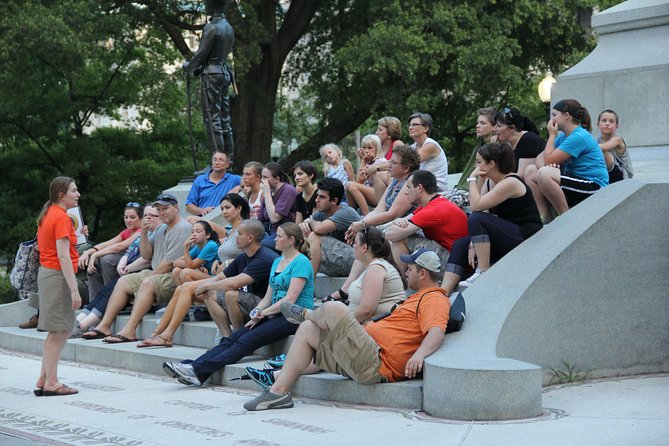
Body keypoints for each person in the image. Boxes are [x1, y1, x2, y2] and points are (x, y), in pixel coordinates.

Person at [242, 248, 450, 411]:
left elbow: (436, 331)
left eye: (410, 269)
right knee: (307, 330)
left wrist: (419, 355)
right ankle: (277, 393)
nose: (406, 272)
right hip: (363, 354)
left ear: (423, 273)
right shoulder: (416, 297)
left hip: (376, 362)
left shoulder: (434, 298)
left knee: (335, 308)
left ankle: (306, 313)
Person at [244, 227, 406, 388]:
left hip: (373, 334)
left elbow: (366, 309)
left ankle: (304, 320)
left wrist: (339, 324)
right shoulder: (371, 267)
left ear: (364, 248)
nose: (352, 246)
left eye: (355, 243)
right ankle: (277, 372)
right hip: (366, 329)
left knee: (324, 326)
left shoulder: (376, 268)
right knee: (317, 333)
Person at [162, 222, 315, 386]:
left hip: (294, 317)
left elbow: (290, 300)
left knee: (246, 341)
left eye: (279, 236)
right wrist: (258, 311)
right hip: (275, 313)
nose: (275, 239)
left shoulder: (301, 262)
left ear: (291, 240)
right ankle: (192, 365)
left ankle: (199, 372)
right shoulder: (278, 262)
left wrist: (263, 313)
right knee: (233, 338)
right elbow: (268, 297)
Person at [139, 220, 277, 346]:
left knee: (228, 293)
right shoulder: (244, 256)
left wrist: (206, 285)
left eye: (239, 234)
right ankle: (225, 338)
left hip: (266, 307)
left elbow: (233, 283)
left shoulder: (263, 258)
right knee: (194, 289)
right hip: (249, 300)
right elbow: (220, 277)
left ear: (250, 238)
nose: (235, 237)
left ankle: (237, 338)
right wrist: (203, 286)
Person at [81, 193, 191, 342]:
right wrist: (144, 232)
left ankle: (129, 330)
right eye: (159, 209)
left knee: (146, 283)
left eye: (165, 208)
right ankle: (104, 326)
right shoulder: (161, 228)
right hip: (156, 272)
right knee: (123, 281)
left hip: (173, 275)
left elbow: (168, 264)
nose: (161, 212)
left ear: (176, 208)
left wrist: (147, 279)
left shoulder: (182, 228)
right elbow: (146, 255)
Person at [441, 142, 543, 290]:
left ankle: (483, 270)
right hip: (508, 235)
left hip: (526, 235)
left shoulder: (511, 182)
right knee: (461, 244)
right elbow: (479, 211)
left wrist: (472, 180)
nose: (476, 167)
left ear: (491, 164)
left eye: (479, 162)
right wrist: (473, 243)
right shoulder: (490, 182)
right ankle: (444, 291)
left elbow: (477, 206)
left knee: (477, 219)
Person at [71, 205, 162, 338]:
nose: (128, 220)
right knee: (106, 289)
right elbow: (127, 250)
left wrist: (127, 267)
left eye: (152, 216)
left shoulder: (153, 232)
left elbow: (145, 258)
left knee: (111, 284)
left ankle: (85, 324)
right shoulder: (145, 232)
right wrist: (90, 252)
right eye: (126, 217)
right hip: (128, 270)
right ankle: (83, 318)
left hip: (138, 271)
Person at [34, 177, 83, 397]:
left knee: (60, 329)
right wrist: (74, 289)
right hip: (57, 276)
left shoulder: (50, 213)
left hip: (49, 274)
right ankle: (52, 383)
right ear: (62, 195)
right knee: (59, 330)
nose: (78, 193)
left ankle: (45, 378)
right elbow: (63, 256)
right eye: (74, 190)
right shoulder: (61, 217)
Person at [524, 99, 609, 223]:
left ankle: (565, 218)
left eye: (554, 115)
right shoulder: (564, 136)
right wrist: (546, 166)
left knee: (544, 173)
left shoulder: (578, 136)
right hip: (575, 182)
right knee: (531, 171)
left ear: (566, 116)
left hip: (593, 185)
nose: (551, 120)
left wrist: (551, 136)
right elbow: (540, 157)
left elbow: (548, 159)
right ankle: (544, 216)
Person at [386, 170, 468, 274]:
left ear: (419, 188)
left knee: (400, 239)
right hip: (457, 258)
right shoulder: (433, 203)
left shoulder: (433, 210)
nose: (406, 192)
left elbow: (391, 235)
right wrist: (397, 221)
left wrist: (397, 224)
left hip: (456, 264)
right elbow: (402, 222)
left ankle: (403, 283)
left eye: (409, 187)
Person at [182, 0, 235, 157]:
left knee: (212, 119)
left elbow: (200, 55)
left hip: (212, 74)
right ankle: (228, 160)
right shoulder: (229, 28)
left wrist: (188, 67)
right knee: (225, 119)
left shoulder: (211, 27)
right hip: (224, 72)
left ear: (212, 6)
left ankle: (218, 160)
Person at [78, 203, 143, 300]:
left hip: (137, 264)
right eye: (126, 217)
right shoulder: (127, 231)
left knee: (107, 259)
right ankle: (95, 301)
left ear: (141, 218)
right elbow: (108, 243)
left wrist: (95, 254)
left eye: (132, 217)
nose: (128, 220)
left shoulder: (141, 231)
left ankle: (110, 299)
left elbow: (119, 247)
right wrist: (88, 252)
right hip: (124, 263)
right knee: (95, 262)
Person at [299, 178, 361, 277]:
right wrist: (304, 224)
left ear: (334, 200)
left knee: (315, 236)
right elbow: (304, 226)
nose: (316, 200)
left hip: (358, 261)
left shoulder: (346, 212)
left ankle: (307, 288)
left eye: (322, 197)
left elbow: (319, 228)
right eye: (317, 196)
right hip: (338, 259)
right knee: (296, 238)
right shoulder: (322, 212)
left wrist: (309, 221)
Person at [185, 151, 241, 220]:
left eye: (221, 160)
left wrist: (238, 187)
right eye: (215, 160)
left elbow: (251, 184)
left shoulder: (235, 179)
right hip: (203, 222)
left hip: (224, 222)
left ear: (227, 164)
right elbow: (189, 206)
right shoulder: (200, 180)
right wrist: (202, 210)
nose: (217, 163)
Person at [494, 107, 545, 179]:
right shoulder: (507, 145)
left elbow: (520, 176)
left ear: (512, 128)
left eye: (499, 126)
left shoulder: (529, 140)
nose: (495, 129)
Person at [457, 108, 498, 190]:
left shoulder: (495, 145)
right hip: (462, 187)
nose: (477, 126)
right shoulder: (480, 140)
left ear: (494, 127)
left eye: (482, 123)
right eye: (478, 122)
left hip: (471, 190)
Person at [259, 162, 298, 247]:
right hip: (270, 232)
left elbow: (275, 218)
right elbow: (260, 218)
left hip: (285, 233)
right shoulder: (269, 191)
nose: (262, 180)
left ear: (277, 179)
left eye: (265, 177)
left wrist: (267, 194)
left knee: (262, 246)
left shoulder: (288, 191)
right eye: (262, 176)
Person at [408, 113, 449, 193]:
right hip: (420, 185)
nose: (410, 128)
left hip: (435, 188)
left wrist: (378, 167)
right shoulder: (412, 147)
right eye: (410, 125)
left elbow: (407, 162)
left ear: (426, 128)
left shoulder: (431, 145)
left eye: (415, 125)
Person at [346, 134, 386, 215]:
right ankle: (352, 213)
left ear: (377, 148)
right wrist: (364, 160)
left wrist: (363, 161)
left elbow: (358, 182)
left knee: (350, 185)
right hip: (372, 193)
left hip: (380, 196)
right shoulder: (370, 161)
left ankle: (366, 215)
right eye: (364, 148)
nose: (366, 151)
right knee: (347, 187)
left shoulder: (380, 162)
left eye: (370, 148)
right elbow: (359, 182)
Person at [171, 220, 220, 285]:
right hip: (207, 275)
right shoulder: (198, 247)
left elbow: (190, 266)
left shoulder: (211, 245)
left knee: (186, 272)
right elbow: (176, 262)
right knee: (176, 270)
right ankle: (184, 292)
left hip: (217, 277)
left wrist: (185, 247)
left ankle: (194, 293)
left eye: (198, 231)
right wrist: (198, 266)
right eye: (192, 232)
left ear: (207, 235)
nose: (194, 234)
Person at [212, 193, 250, 270]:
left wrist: (227, 263)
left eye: (227, 207)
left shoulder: (246, 228)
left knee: (186, 273)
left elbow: (251, 255)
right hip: (224, 275)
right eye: (222, 209)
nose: (224, 212)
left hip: (238, 276)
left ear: (239, 208)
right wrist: (219, 262)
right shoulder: (230, 232)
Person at [596, 109, 633, 183]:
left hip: (622, 175)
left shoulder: (618, 139)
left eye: (611, 121)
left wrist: (584, 144)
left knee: (603, 151)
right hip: (606, 172)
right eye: (604, 120)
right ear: (598, 125)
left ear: (617, 126)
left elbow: (606, 147)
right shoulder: (598, 141)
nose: (607, 123)